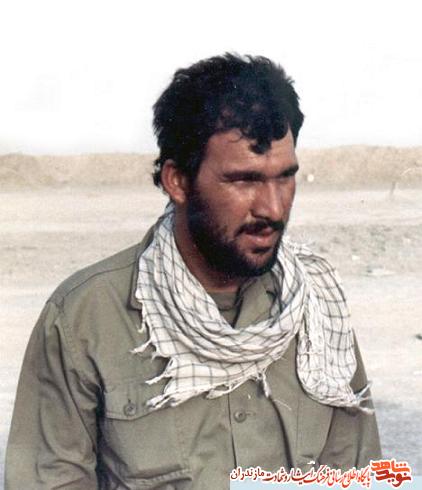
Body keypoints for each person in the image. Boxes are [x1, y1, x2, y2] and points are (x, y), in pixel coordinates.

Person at [5, 53, 381, 490]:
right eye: (244, 180)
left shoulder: (317, 310)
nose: (273, 208)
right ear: (178, 182)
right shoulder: (85, 319)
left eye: (284, 177)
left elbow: (357, 477)